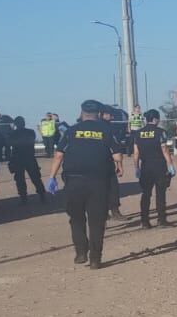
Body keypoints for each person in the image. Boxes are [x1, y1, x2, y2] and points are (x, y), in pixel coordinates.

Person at [44, 100, 121, 269]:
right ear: (99, 114)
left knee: (76, 218)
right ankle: (95, 258)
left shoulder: (71, 131)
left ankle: (80, 252)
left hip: (74, 180)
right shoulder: (106, 130)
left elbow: (58, 155)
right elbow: (116, 154)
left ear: (81, 112)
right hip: (98, 181)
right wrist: (119, 166)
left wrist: (52, 177)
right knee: (97, 221)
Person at [132, 109, 173, 228]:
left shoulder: (138, 133)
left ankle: (144, 221)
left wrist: (136, 168)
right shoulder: (161, 132)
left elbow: (136, 153)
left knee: (146, 194)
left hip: (145, 167)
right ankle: (161, 220)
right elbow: (164, 150)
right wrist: (170, 165)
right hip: (159, 166)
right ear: (155, 119)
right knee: (160, 194)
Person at [8, 115, 48, 204]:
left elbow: (10, 143)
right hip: (29, 157)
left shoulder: (13, 133)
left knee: (20, 179)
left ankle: (24, 197)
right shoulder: (30, 132)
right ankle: (41, 195)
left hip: (18, 158)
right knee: (35, 177)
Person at [99, 105, 127, 220]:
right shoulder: (108, 128)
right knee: (112, 189)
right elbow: (116, 149)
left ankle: (105, 213)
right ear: (102, 114)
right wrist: (119, 165)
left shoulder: (94, 126)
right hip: (106, 163)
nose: (111, 116)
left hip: (96, 164)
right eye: (109, 114)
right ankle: (114, 212)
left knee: (101, 189)